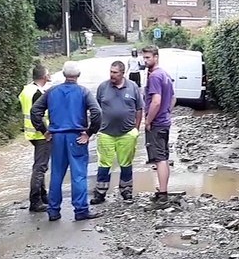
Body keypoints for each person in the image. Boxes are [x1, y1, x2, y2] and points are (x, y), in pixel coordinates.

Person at [30, 61, 103, 222]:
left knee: (56, 174)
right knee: (78, 175)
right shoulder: (83, 92)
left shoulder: (52, 91)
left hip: (57, 137)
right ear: (78, 75)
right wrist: (89, 132)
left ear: (63, 74)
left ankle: (54, 211)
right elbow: (97, 112)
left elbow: (35, 110)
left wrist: (44, 130)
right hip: (76, 137)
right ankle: (80, 210)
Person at [92, 60, 144, 204]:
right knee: (104, 163)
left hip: (127, 133)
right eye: (110, 72)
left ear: (122, 73)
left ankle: (126, 191)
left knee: (126, 163)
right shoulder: (103, 87)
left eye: (115, 73)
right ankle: (100, 193)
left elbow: (139, 108)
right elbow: (96, 108)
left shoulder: (132, 87)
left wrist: (136, 129)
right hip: (106, 133)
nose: (112, 75)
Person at [140, 45, 175, 210]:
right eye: (144, 57)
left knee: (159, 159)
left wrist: (148, 120)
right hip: (165, 122)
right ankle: (163, 192)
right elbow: (173, 98)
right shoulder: (165, 74)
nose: (145, 60)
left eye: (148, 57)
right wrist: (167, 113)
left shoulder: (155, 76)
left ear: (156, 57)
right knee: (163, 158)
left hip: (157, 123)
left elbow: (156, 101)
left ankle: (162, 196)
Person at [18, 64, 52, 212]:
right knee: (40, 167)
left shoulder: (27, 89)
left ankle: (43, 195)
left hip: (31, 132)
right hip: (40, 134)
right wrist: (45, 131)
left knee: (40, 164)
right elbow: (37, 115)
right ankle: (35, 201)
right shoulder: (38, 93)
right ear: (44, 76)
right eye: (48, 74)